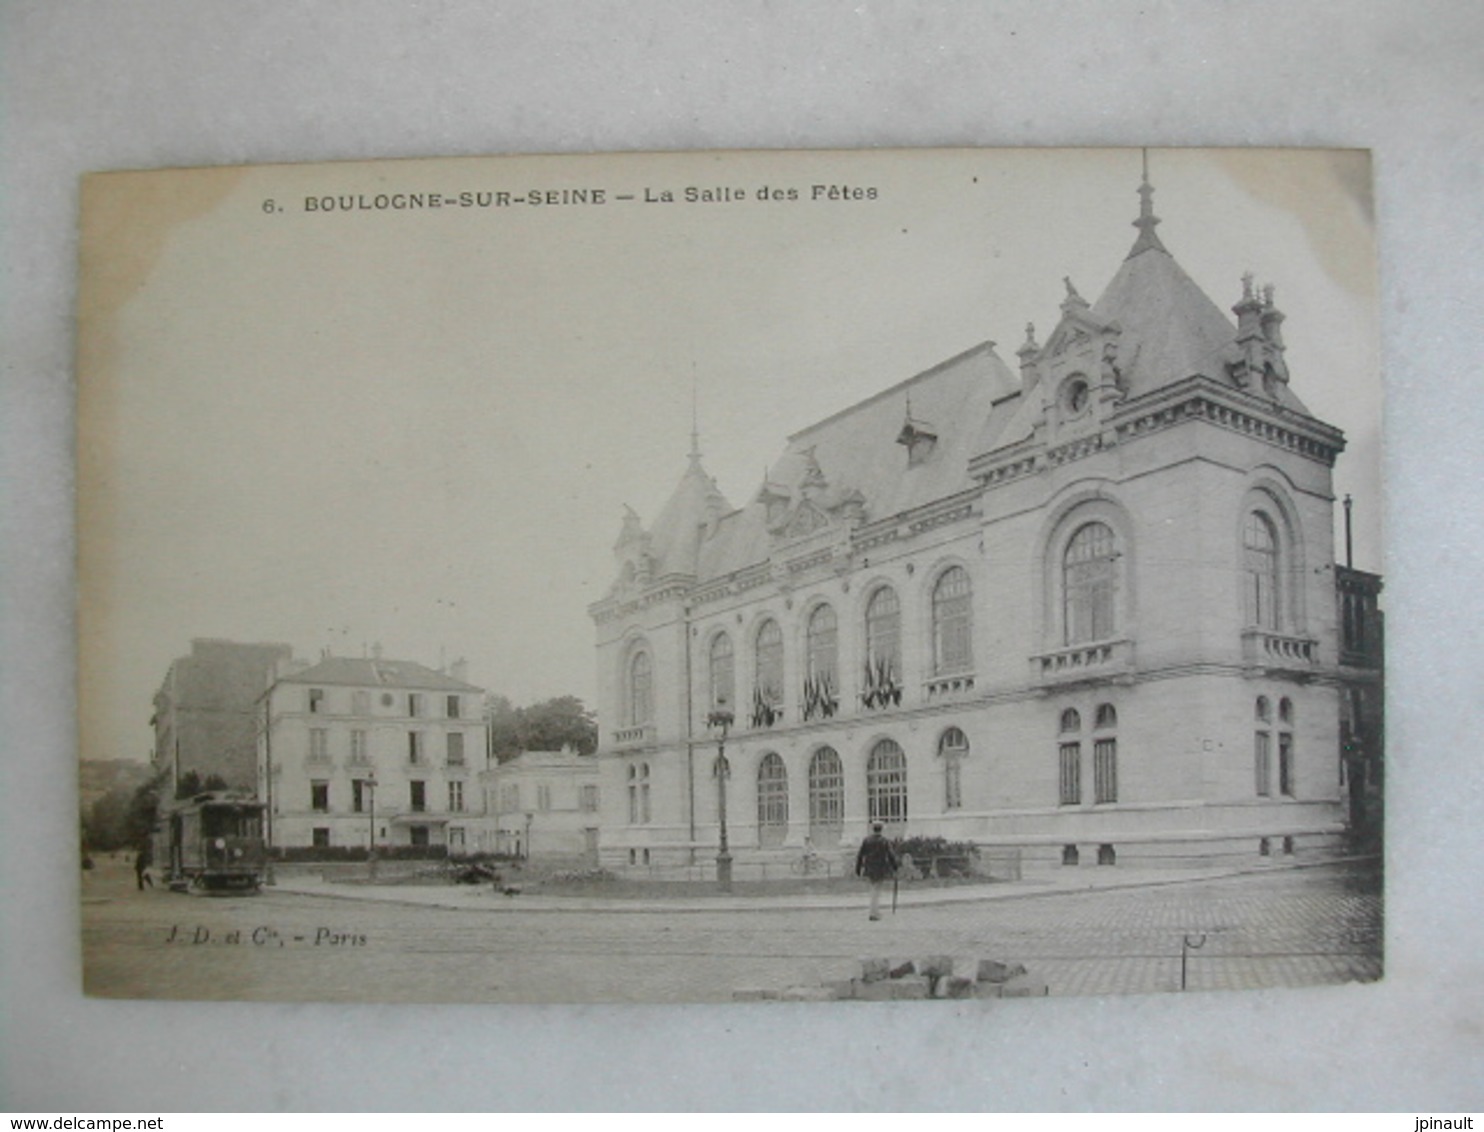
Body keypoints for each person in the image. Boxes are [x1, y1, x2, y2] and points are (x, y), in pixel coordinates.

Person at [855, 822, 898, 921]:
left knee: (873, 889)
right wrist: (895, 866)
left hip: (869, 867)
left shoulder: (867, 841)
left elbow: (860, 855)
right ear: (881, 830)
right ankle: (874, 912)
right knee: (876, 890)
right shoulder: (884, 841)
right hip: (880, 867)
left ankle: (874, 911)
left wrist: (858, 868)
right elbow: (891, 855)